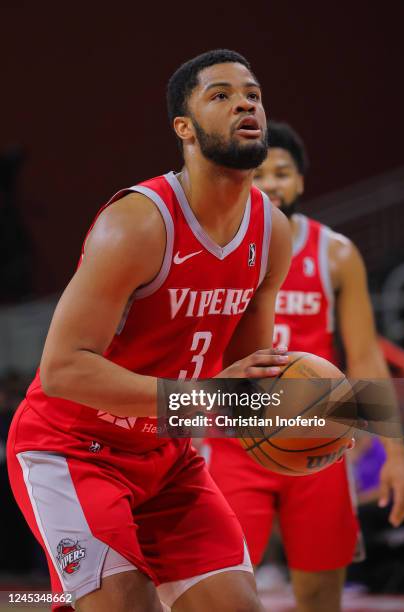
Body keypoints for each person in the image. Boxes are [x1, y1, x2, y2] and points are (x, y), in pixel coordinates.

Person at [6, 51, 293, 612]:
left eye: (253, 94)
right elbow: (62, 370)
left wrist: (308, 421)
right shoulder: (138, 223)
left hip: (167, 455)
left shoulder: (271, 231)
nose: (244, 103)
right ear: (183, 129)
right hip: (74, 449)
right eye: (221, 95)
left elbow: (245, 388)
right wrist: (203, 397)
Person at [206, 121, 404, 612]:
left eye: (282, 172)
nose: (271, 183)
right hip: (232, 441)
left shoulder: (336, 253)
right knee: (222, 597)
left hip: (320, 445)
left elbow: (363, 357)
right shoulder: (216, 249)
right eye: (259, 173)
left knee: (320, 599)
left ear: (301, 181)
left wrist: (395, 452)